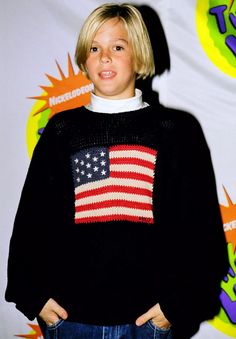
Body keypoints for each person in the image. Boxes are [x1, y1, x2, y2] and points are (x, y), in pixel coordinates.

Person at [5, 3, 228, 339]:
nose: (104, 57)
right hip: (70, 320)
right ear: (84, 59)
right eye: (95, 48)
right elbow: (32, 220)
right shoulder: (61, 130)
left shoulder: (175, 131)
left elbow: (201, 228)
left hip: (148, 322)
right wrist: (32, 294)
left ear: (138, 57)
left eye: (117, 47)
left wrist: (177, 306)